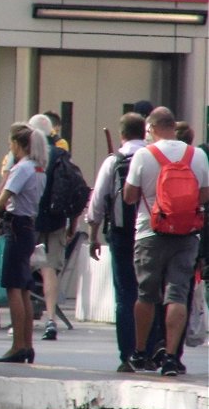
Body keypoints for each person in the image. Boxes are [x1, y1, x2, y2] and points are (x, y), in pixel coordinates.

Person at [123, 106, 209, 376]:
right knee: (177, 294)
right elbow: (204, 195)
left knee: (146, 294)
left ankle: (139, 352)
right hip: (186, 235)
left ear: (152, 128)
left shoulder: (143, 155)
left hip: (150, 233)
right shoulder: (197, 155)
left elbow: (129, 196)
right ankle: (171, 357)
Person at [85, 112, 146, 372]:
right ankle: (153, 350)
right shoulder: (155, 157)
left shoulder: (114, 161)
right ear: (145, 132)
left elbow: (97, 202)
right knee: (151, 293)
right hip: (153, 234)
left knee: (125, 294)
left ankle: (128, 354)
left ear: (122, 135)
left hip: (121, 235)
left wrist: (92, 236)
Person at [0, 122, 47, 363]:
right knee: (24, 288)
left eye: (11, 143)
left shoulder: (22, 169)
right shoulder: (39, 169)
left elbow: (1, 200)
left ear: (18, 144)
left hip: (15, 227)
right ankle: (27, 345)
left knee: (13, 287)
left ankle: (17, 346)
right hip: (29, 227)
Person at [28, 113, 77, 341]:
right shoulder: (61, 156)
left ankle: (24, 319)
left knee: (23, 269)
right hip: (56, 221)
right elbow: (76, 192)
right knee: (49, 271)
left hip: (31, 220)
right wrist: (72, 223)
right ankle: (51, 319)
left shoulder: (30, 156)